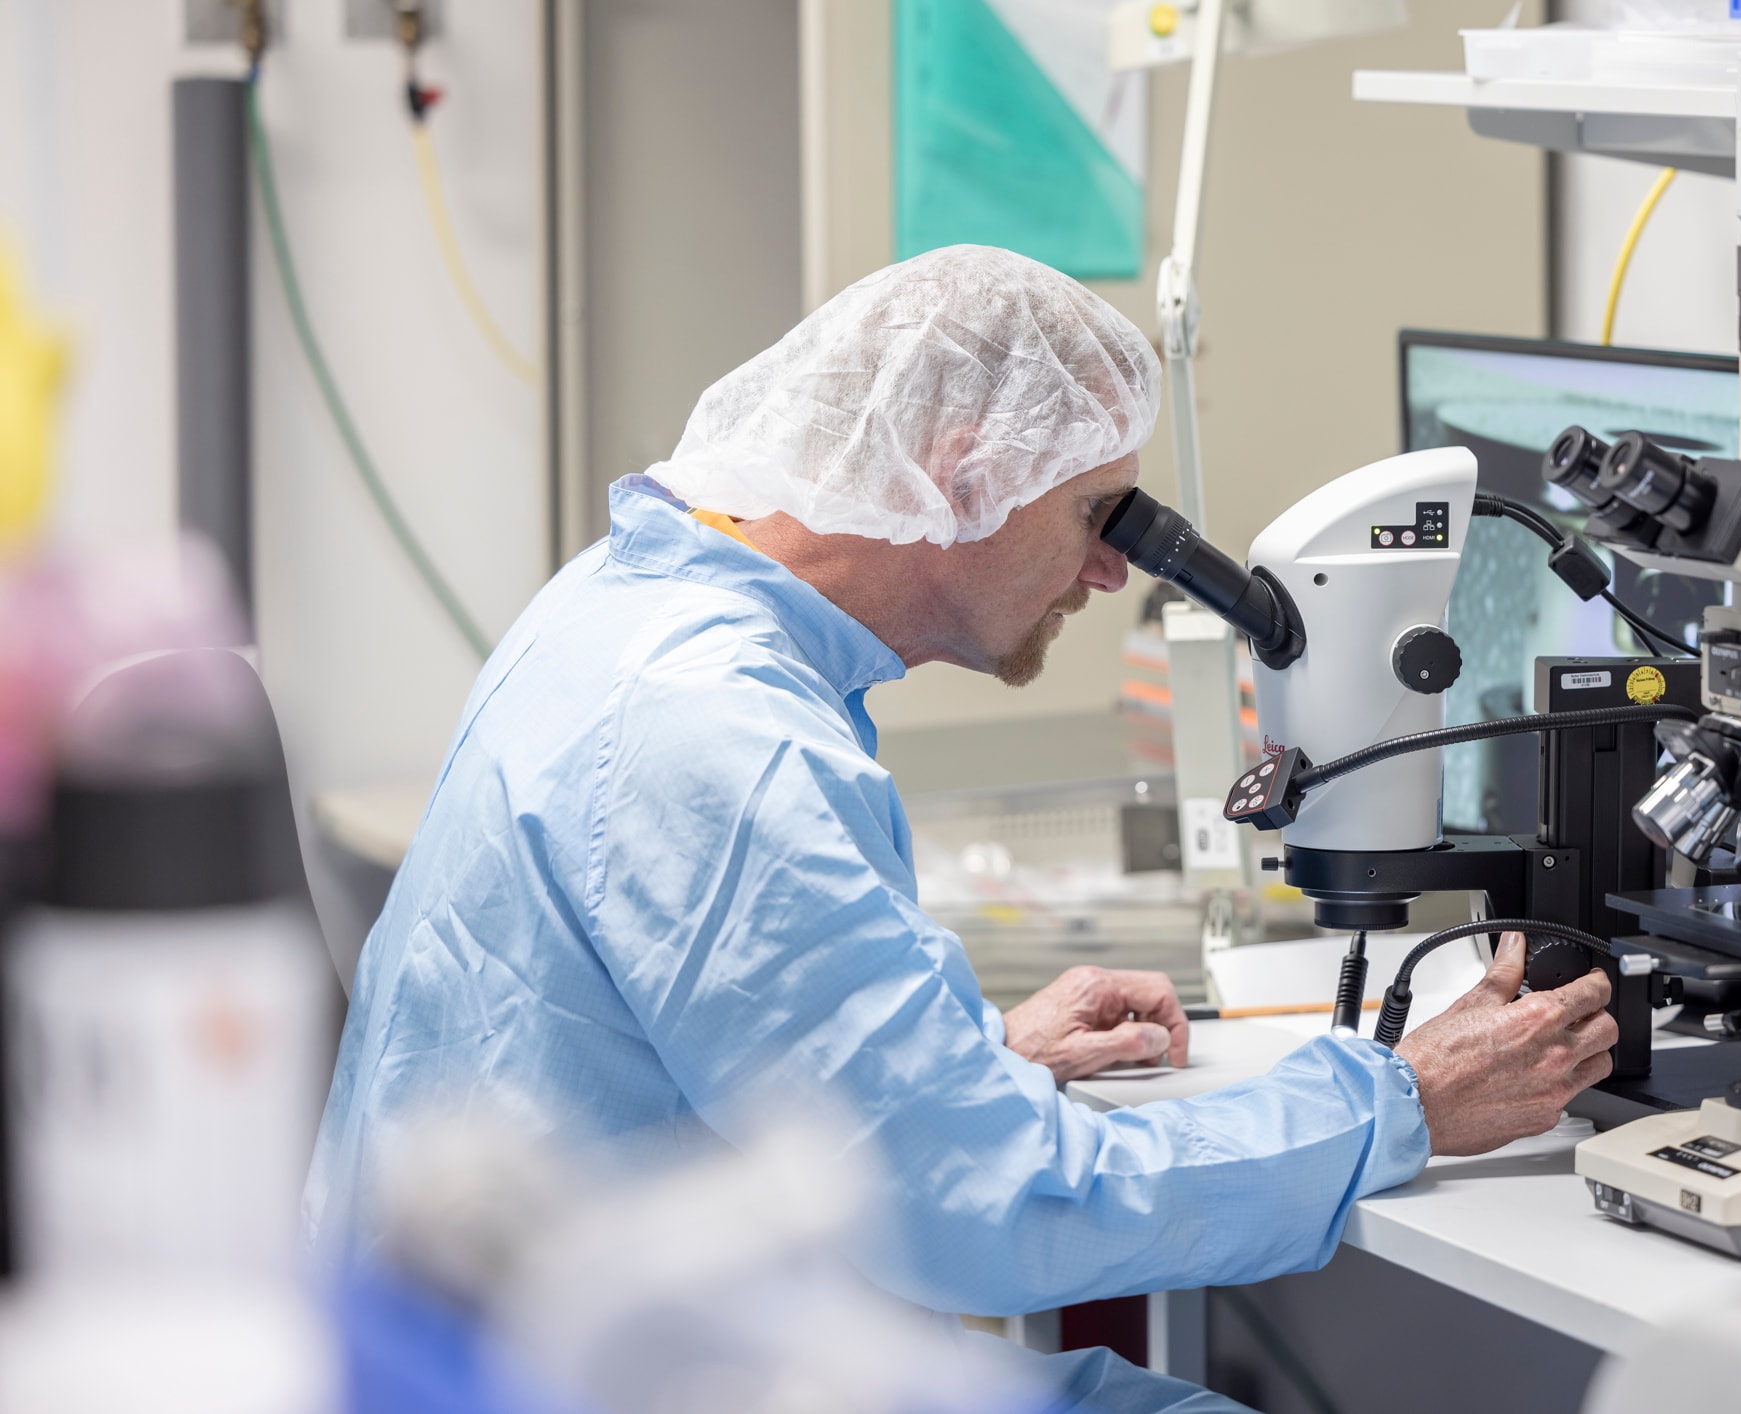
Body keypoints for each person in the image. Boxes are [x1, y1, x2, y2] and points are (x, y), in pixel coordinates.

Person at [305, 245, 1616, 1411]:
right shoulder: (728, 737)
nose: (1113, 571)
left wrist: (957, 1063)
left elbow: (663, 1043)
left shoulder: (631, 602)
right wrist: (1400, 1098)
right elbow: (990, 1208)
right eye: (1096, 516)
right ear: (961, 473)